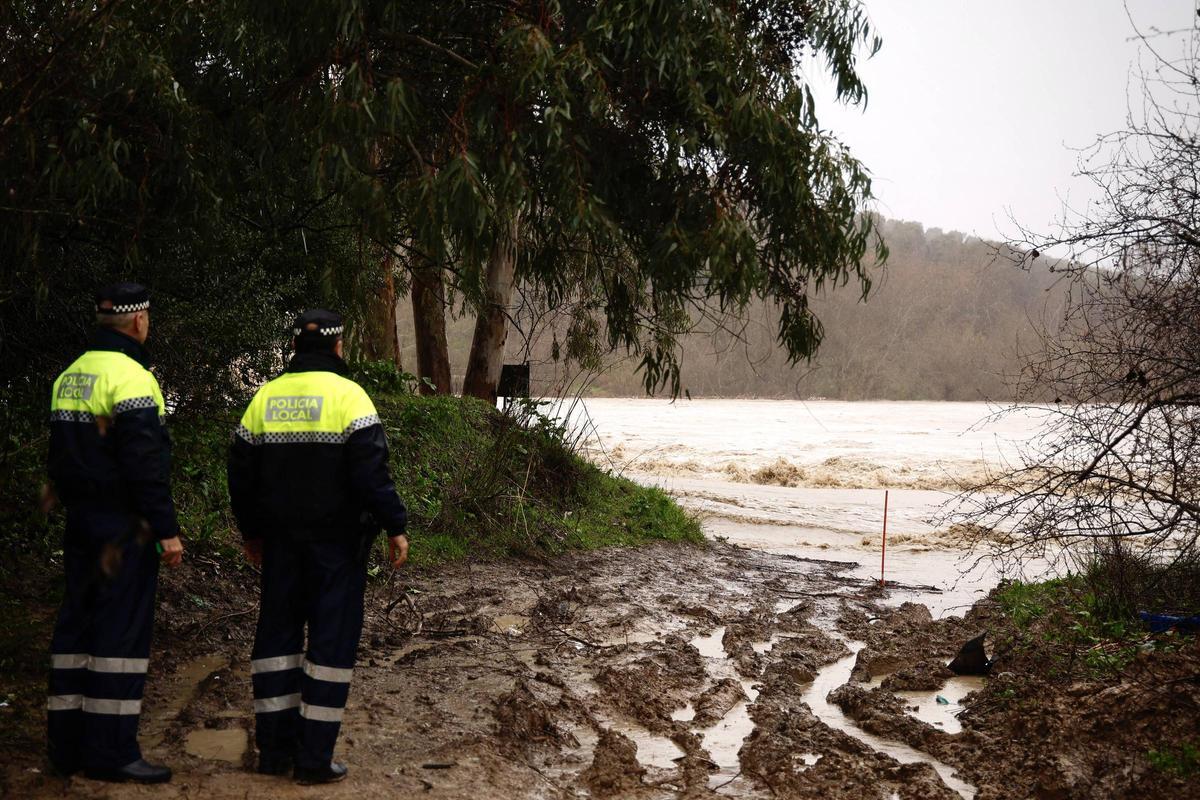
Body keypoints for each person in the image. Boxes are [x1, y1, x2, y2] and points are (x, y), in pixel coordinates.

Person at [227, 308, 409, 784]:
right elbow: (372, 473)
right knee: (330, 645)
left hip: (281, 546)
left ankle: (273, 753)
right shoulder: (350, 397)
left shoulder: (264, 398)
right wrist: (395, 525)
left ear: (294, 349)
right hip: (337, 547)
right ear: (337, 346)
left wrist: (251, 531)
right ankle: (313, 761)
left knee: (276, 643)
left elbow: (240, 472)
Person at [45, 282, 184, 783]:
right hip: (124, 527)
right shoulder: (134, 379)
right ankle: (112, 752)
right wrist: (166, 530)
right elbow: (145, 465)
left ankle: (65, 749)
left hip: (79, 523)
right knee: (119, 638)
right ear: (139, 321)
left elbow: (58, 459)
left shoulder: (70, 376)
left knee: (75, 629)